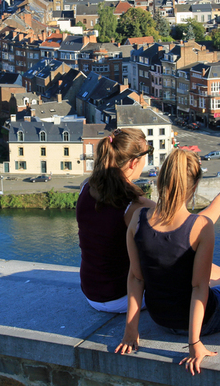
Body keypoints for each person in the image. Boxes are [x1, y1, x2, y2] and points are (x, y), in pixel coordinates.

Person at [115, 148, 220, 375]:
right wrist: (194, 343)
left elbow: (136, 278)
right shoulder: (201, 227)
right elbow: (198, 288)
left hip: (160, 318)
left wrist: (131, 330)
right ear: (194, 187)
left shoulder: (138, 219)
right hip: (204, 320)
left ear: (160, 179)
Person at [76, 128, 156, 313]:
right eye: (146, 155)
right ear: (134, 162)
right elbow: (184, 228)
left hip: (91, 293)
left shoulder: (85, 187)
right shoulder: (136, 205)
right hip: (121, 297)